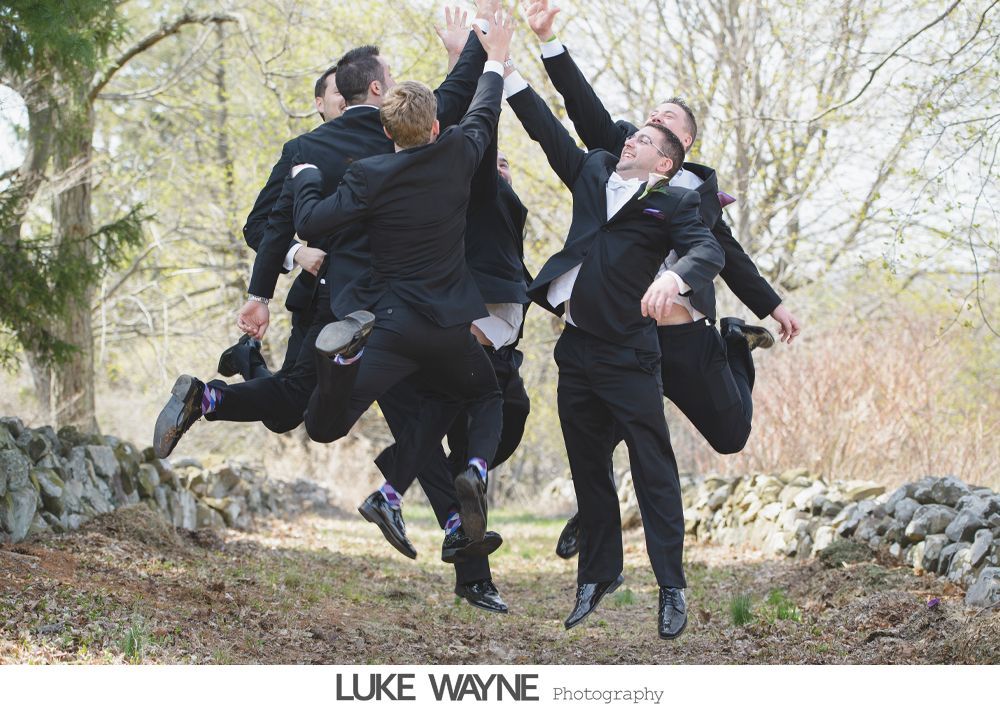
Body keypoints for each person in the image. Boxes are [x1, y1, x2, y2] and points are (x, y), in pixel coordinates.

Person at [520, 0, 803, 558]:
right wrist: (549, 42)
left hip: (680, 335)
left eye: (666, 122)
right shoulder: (620, 157)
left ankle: (733, 343)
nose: (652, 124)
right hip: (623, 333)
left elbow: (728, 254)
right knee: (601, 426)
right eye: (650, 118)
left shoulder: (691, 193)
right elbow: (581, 108)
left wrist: (771, 306)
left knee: (730, 436)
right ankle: (593, 512)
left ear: (683, 148)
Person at [504, 66, 724, 639]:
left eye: (647, 139)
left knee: (653, 470)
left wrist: (676, 279)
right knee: (587, 469)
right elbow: (547, 129)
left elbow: (707, 252)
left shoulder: (674, 204)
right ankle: (597, 576)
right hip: (575, 350)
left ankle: (671, 585)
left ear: (665, 164)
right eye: (636, 134)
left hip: (630, 354)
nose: (634, 137)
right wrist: (506, 70)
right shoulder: (592, 170)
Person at [287, 10, 517, 554]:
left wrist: (306, 179)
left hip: (391, 325)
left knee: (326, 424)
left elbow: (313, 222)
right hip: (447, 326)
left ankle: (338, 366)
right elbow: (483, 107)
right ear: (435, 127)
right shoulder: (460, 153)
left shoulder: (369, 174)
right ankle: (475, 470)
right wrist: (494, 58)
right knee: (485, 394)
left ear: (386, 134)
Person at [359, 146, 532, 613]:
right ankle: (470, 567)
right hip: (434, 336)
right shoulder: (458, 200)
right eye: (491, 163)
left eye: (504, 163)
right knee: (450, 433)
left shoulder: (504, 214)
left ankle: (402, 486)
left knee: (482, 430)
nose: (500, 168)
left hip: (488, 349)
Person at [218, 65, 346, 385]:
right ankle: (248, 362)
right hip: (318, 299)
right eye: (337, 91)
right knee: (291, 400)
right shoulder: (300, 150)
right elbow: (258, 225)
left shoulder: (386, 141)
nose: (346, 98)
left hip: (374, 294)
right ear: (319, 103)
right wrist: (296, 253)